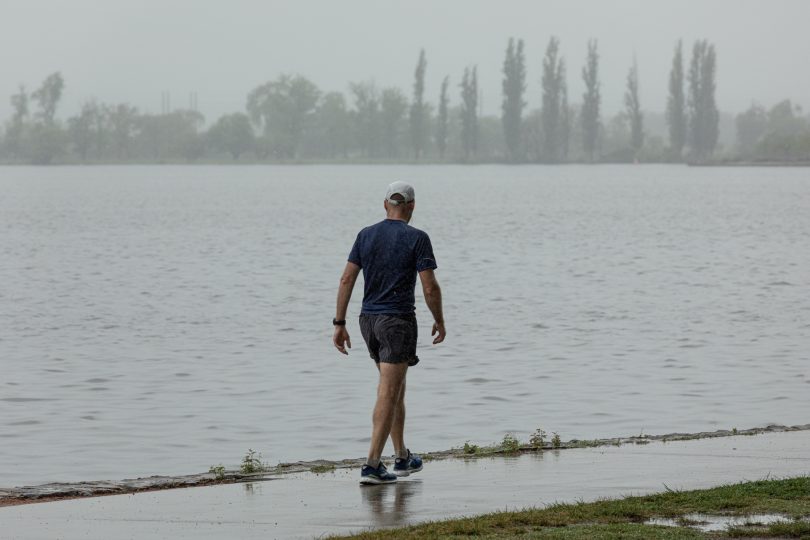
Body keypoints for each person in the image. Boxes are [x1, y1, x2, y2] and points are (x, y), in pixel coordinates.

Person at [332, 181, 446, 485]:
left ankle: (401, 457)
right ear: (411, 207)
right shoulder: (417, 238)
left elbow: (346, 279)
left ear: (385, 205)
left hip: (367, 321)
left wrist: (339, 323)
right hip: (397, 321)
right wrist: (440, 319)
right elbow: (430, 286)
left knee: (395, 388)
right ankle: (371, 465)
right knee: (388, 391)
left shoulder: (365, 235)